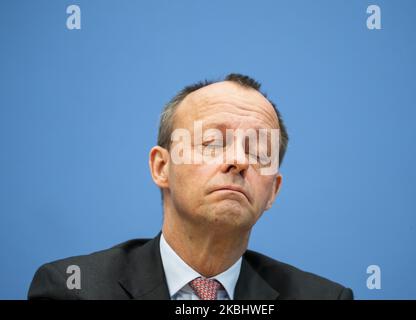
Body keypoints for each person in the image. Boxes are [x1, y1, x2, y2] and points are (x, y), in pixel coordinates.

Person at [28, 74, 353, 300]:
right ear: (161, 167)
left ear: (273, 192)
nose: (238, 161)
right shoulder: (75, 289)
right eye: (213, 143)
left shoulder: (324, 297)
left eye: (258, 152)